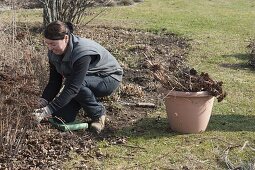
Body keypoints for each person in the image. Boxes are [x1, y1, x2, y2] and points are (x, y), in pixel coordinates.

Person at [32, 20, 123, 133]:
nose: (50, 48)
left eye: (53, 44)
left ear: (65, 38)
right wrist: (42, 102)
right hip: (83, 80)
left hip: (108, 78)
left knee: (75, 87)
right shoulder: (53, 52)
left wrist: (47, 110)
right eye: (47, 43)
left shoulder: (82, 53)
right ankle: (86, 103)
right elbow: (54, 81)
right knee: (61, 117)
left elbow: (74, 87)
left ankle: (98, 114)